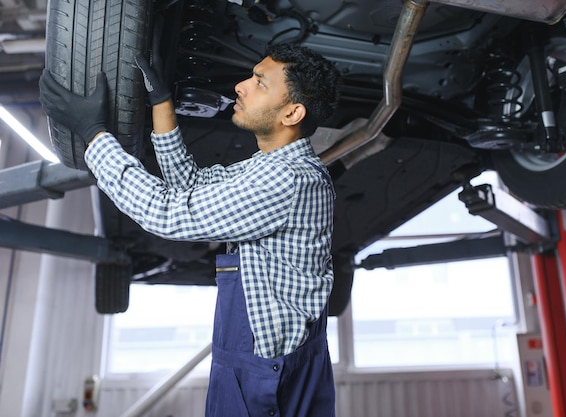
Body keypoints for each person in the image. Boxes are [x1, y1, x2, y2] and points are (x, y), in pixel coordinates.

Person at [39, 43, 341, 416]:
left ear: (292, 112)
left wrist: (95, 136)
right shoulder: (269, 166)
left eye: (260, 83)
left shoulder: (288, 179)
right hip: (263, 365)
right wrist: (162, 104)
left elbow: (166, 213)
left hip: (266, 378)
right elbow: (191, 188)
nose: (241, 87)